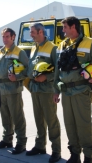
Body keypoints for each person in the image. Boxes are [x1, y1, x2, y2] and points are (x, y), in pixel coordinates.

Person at [53, 16, 92, 163]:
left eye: (65, 27)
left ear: (74, 27)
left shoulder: (90, 43)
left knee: (83, 124)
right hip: (66, 92)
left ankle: (88, 156)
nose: (63, 30)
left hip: (81, 91)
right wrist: (56, 90)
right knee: (69, 125)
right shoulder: (62, 45)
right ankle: (74, 154)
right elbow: (57, 70)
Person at [26, 23, 61, 163]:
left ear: (41, 31)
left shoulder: (52, 48)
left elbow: (59, 70)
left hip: (47, 91)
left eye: (33, 32)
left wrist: (46, 77)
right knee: (38, 119)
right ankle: (40, 146)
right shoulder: (34, 47)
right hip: (35, 90)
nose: (31, 34)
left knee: (51, 121)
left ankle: (56, 150)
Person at [0, 28, 29, 155]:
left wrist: (17, 77)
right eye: (3, 37)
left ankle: (21, 143)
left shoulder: (19, 52)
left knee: (17, 117)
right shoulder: (1, 51)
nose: (5, 39)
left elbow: (28, 69)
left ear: (13, 37)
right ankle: (7, 139)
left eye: (7, 36)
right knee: (5, 117)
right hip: (1, 89)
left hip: (13, 89)